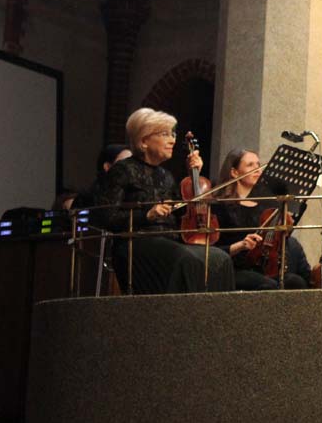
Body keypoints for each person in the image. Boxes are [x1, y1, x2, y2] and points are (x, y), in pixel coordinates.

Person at [91, 108, 234, 293]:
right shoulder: (122, 170)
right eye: (165, 134)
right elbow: (104, 217)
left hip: (168, 241)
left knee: (220, 258)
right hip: (136, 244)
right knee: (186, 259)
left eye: (172, 134)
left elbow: (181, 213)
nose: (172, 140)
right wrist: (146, 215)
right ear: (144, 142)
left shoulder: (166, 176)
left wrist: (194, 174)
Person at [211, 148, 311, 290]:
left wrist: (283, 229)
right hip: (234, 267)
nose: (257, 169)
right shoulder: (220, 206)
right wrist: (240, 245)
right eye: (250, 165)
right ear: (234, 172)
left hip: (264, 266)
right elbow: (213, 250)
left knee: (295, 282)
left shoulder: (268, 204)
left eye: (258, 164)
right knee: (267, 285)